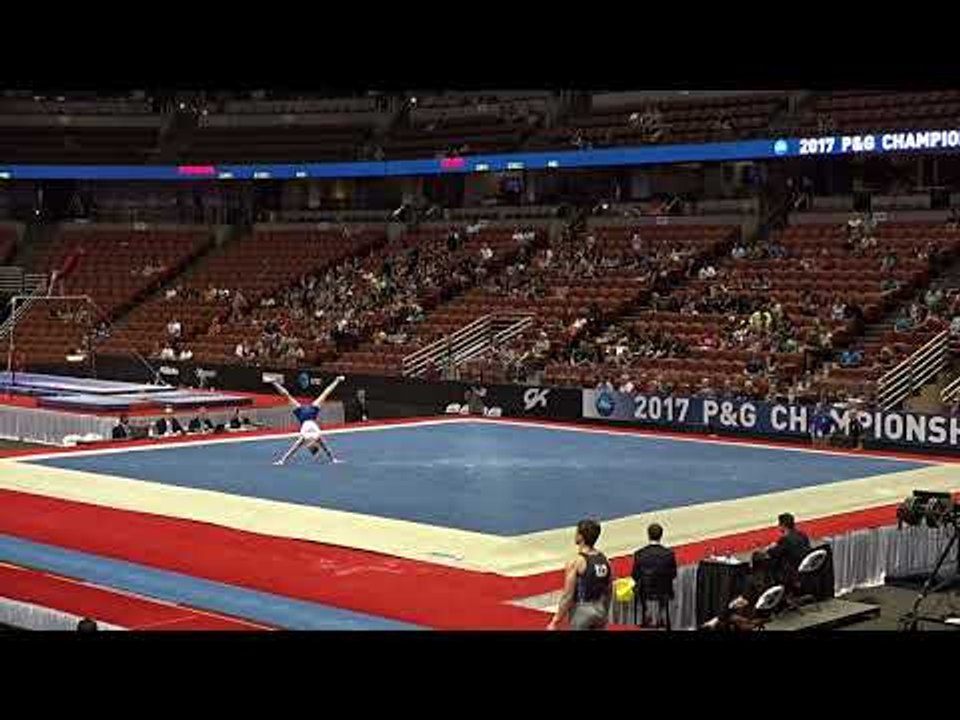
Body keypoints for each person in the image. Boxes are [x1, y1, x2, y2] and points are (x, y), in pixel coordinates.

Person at [547, 519, 613, 631]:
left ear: (581, 537)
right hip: (600, 609)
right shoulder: (605, 560)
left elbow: (567, 596)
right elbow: (609, 590)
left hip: (582, 611)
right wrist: (604, 612)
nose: (575, 535)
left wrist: (555, 620)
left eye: (576, 532)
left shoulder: (576, 561)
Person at [271, 375, 345, 466]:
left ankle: (273, 382)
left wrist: (282, 461)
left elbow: (293, 450)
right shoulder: (317, 437)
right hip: (312, 414)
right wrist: (333, 459)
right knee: (325, 394)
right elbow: (327, 449)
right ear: (315, 445)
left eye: (309, 448)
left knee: (287, 396)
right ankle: (337, 380)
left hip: (301, 416)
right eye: (311, 447)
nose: (309, 446)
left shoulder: (304, 439)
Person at [701, 551, 776, 631]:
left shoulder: (751, 580)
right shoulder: (771, 579)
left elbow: (743, 601)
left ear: (753, 563)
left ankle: (714, 621)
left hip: (751, 615)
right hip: (766, 613)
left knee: (728, 609)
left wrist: (729, 607)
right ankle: (715, 620)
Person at [630, 523, 678, 628]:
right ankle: (661, 613)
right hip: (664, 590)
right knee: (662, 587)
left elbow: (634, 575)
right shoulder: (669, 554)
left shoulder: (639, 553)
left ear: (648, 535)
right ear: (661, 535)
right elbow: (673, 574)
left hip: (645, 590)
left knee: (640, 585)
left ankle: (646, 613)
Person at [766, 513, 811, 591]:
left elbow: (773, 554)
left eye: (779, 524)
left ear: (783, 526)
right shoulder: (802, 535)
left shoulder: (785, 540)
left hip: (792, 572)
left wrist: (770, 548)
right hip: (805, 568)